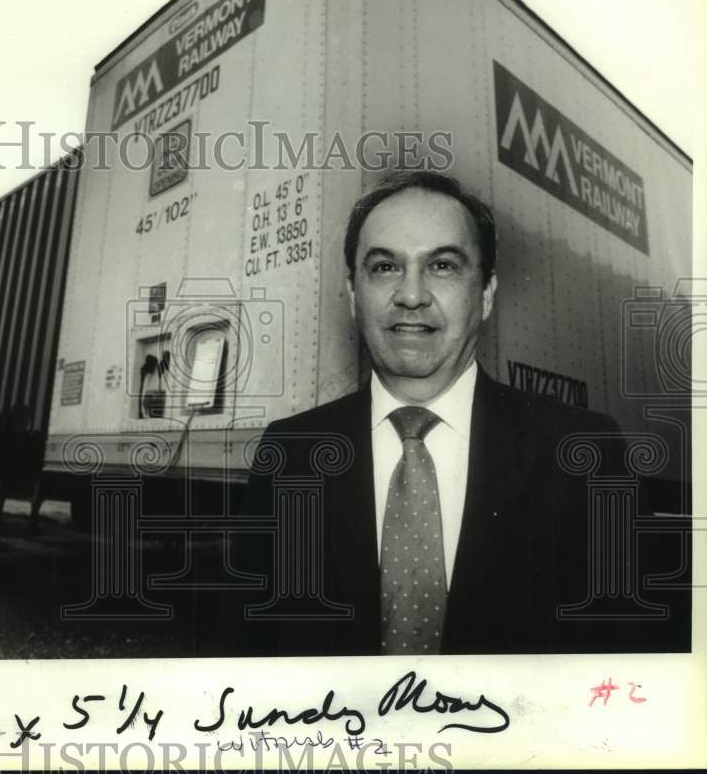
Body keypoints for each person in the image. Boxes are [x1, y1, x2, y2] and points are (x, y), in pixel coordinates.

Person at [225, 170, 679, 655]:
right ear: (354, 296)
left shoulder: (588, 454)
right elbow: (249, 659)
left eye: (442, 265)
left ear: (485, 295)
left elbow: (638, 666)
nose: (412, 295)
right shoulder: (289, 454)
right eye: (384, 267)